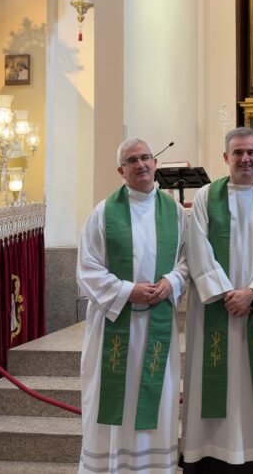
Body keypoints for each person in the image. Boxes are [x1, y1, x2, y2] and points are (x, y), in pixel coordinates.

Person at [76, 138, 189, 474]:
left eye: (146, 158)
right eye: (132, 160)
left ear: (155, 163)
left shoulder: (175, 213)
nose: (141, 165)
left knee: (159, 397)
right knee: (114, 399)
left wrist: (171, 281)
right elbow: (87, 267)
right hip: (114, 325)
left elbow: (187, 260)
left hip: (158, 324)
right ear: (120, 170)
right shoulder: (103, 213)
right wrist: (127, 291)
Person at [182, 126, 253, 472]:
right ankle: (211, 449)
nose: (245, 159)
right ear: (226, 157)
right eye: (238, 153)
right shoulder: (205, 197)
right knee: (215, 377)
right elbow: (197, 247)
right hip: (216, 306)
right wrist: (226, 293)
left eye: (251, 153)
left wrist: (252, 292)